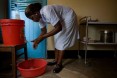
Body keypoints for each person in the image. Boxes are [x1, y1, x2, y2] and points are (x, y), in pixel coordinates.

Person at [25, 3, 79, 73]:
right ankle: (55, 60)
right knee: (56, 38)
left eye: (32, 18)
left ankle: (59, 64)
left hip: (69, 15)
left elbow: (59, 28)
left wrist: (41, 37)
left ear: (36, 13)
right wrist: (37, 40)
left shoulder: (47, 10)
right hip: (62, 19)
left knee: (62, 40)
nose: (33, 20)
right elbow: (43, 32)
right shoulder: (40, 19)